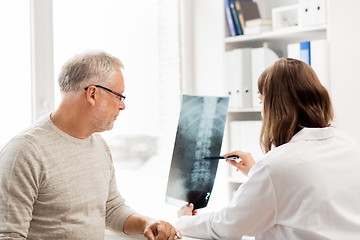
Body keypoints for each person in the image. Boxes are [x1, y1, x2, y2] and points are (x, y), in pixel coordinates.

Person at [0, 50, 181, 240]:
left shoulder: (99, 145)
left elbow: (111, 209)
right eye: (119, 96)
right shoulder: (25, 152)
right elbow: (8, 235)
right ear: (92, 94)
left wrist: (147, 223)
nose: (122, 106)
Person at [176, 58, 360, 239]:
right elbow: (313, 191)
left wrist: (183, 221)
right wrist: (256, 174)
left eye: (261, 101)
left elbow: (228, 226)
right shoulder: (348, 145)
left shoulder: (277, 165)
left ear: (275, 108)